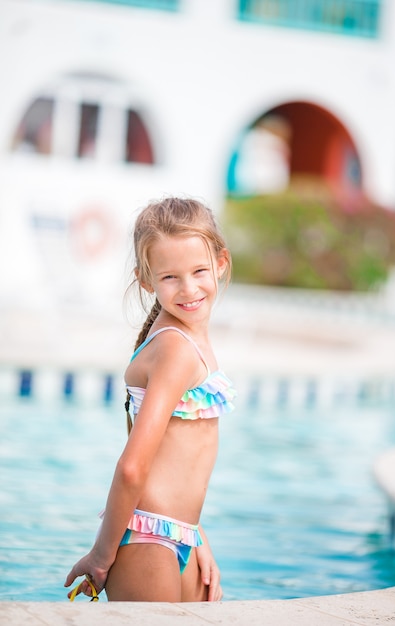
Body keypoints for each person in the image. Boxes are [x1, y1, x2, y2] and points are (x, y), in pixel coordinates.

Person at [65, 196, 236, 602]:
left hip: (178, 536)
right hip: (146, 538)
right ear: (146, 280)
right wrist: (101, 558)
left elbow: (171, 465)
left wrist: (196, 536)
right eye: (170, 277)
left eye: (199, 271)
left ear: (221, 262)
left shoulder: (185, 338)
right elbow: (132, 467)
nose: (189, 288)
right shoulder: (176, 348)